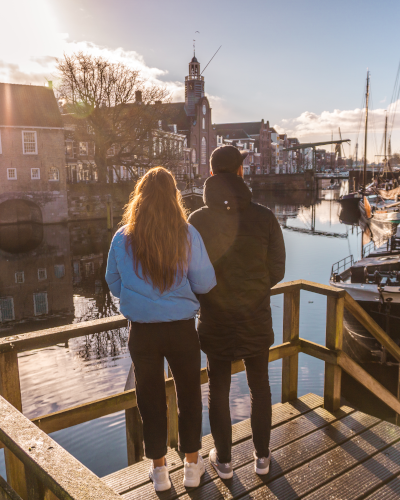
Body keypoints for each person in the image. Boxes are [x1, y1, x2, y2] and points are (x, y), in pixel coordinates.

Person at [105, 167, 216, 491]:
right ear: (173, 197)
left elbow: (113, 283)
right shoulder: (187, 234)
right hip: (181, 328)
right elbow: (206, 282)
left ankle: (159, 472)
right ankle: (192, 467)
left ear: (140, 198)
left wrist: (140, 294)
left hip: (143, 332)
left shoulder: (123, 237)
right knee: (189, 396)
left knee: (150, 400)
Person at [189, 145, 285, 479]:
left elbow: (190, 272)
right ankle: (261, 459)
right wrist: (255, 289)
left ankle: (225, 463)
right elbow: (277, 269)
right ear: (241, 172)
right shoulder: (265, 217)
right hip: (255, 315)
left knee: (219, 390)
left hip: (215, 318)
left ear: (212, 174)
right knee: (260, 387)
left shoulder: (197, 221)